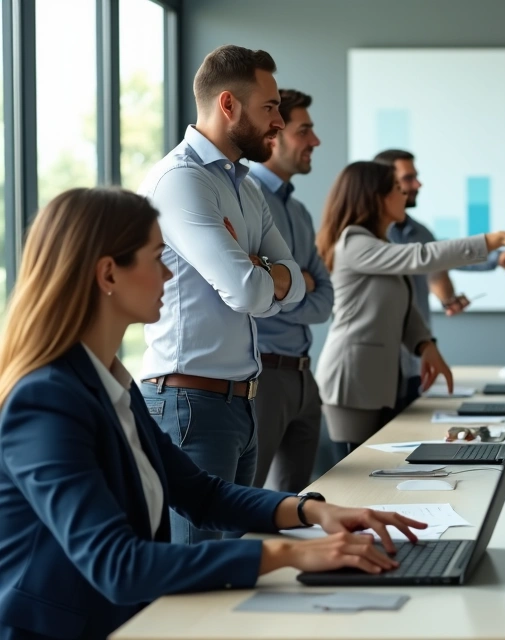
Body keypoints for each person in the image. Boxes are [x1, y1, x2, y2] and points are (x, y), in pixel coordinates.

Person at [0, 188, 429, 640]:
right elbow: (118, 565)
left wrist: (314, 512)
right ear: (109, 273)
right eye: (157, 258)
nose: (169, 273)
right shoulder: (47, 400)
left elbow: (201, 494)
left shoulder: (112, 382)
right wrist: (288, 554)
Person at [137, 45, 305, 544]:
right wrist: (264, 275)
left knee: (232, 564)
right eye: (269, 107)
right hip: (189, 405)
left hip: (240, 404)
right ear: (228, 104)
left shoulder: (247, 187)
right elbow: (249, 294)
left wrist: (261, 271)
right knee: (200, 576)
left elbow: (296, 284)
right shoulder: (181, 181)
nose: (278, 121)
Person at [314, 161, 505, 453]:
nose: (404, 194)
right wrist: (498, 239)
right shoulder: (354, 242)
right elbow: (424, 257)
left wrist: (425, 344)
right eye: (397, 188)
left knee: (377, 466)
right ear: (376, 198)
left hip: (379, 381)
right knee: (355, 467)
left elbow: (402, 304)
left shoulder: (378, 244)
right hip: (352, 381)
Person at [372, 149, 505, 410]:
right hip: (379, 366)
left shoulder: (419, 232)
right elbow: (430, 256)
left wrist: (449, 299)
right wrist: (497, 242)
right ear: (386, 184)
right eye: (408, 178)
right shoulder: (368, 238)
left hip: (415, 362)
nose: (417, 185)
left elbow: (436, 267)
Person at [247, 89, 333, 493]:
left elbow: (325, 298)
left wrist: (285, 286)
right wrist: (299, 283)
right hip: (263, 376)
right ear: (275, 133)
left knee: (294, 506)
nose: (315, 141)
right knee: (247, 506)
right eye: (304, 131)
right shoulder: (246, 198)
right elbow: (252, 290)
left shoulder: (298, 211)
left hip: (302, 375)